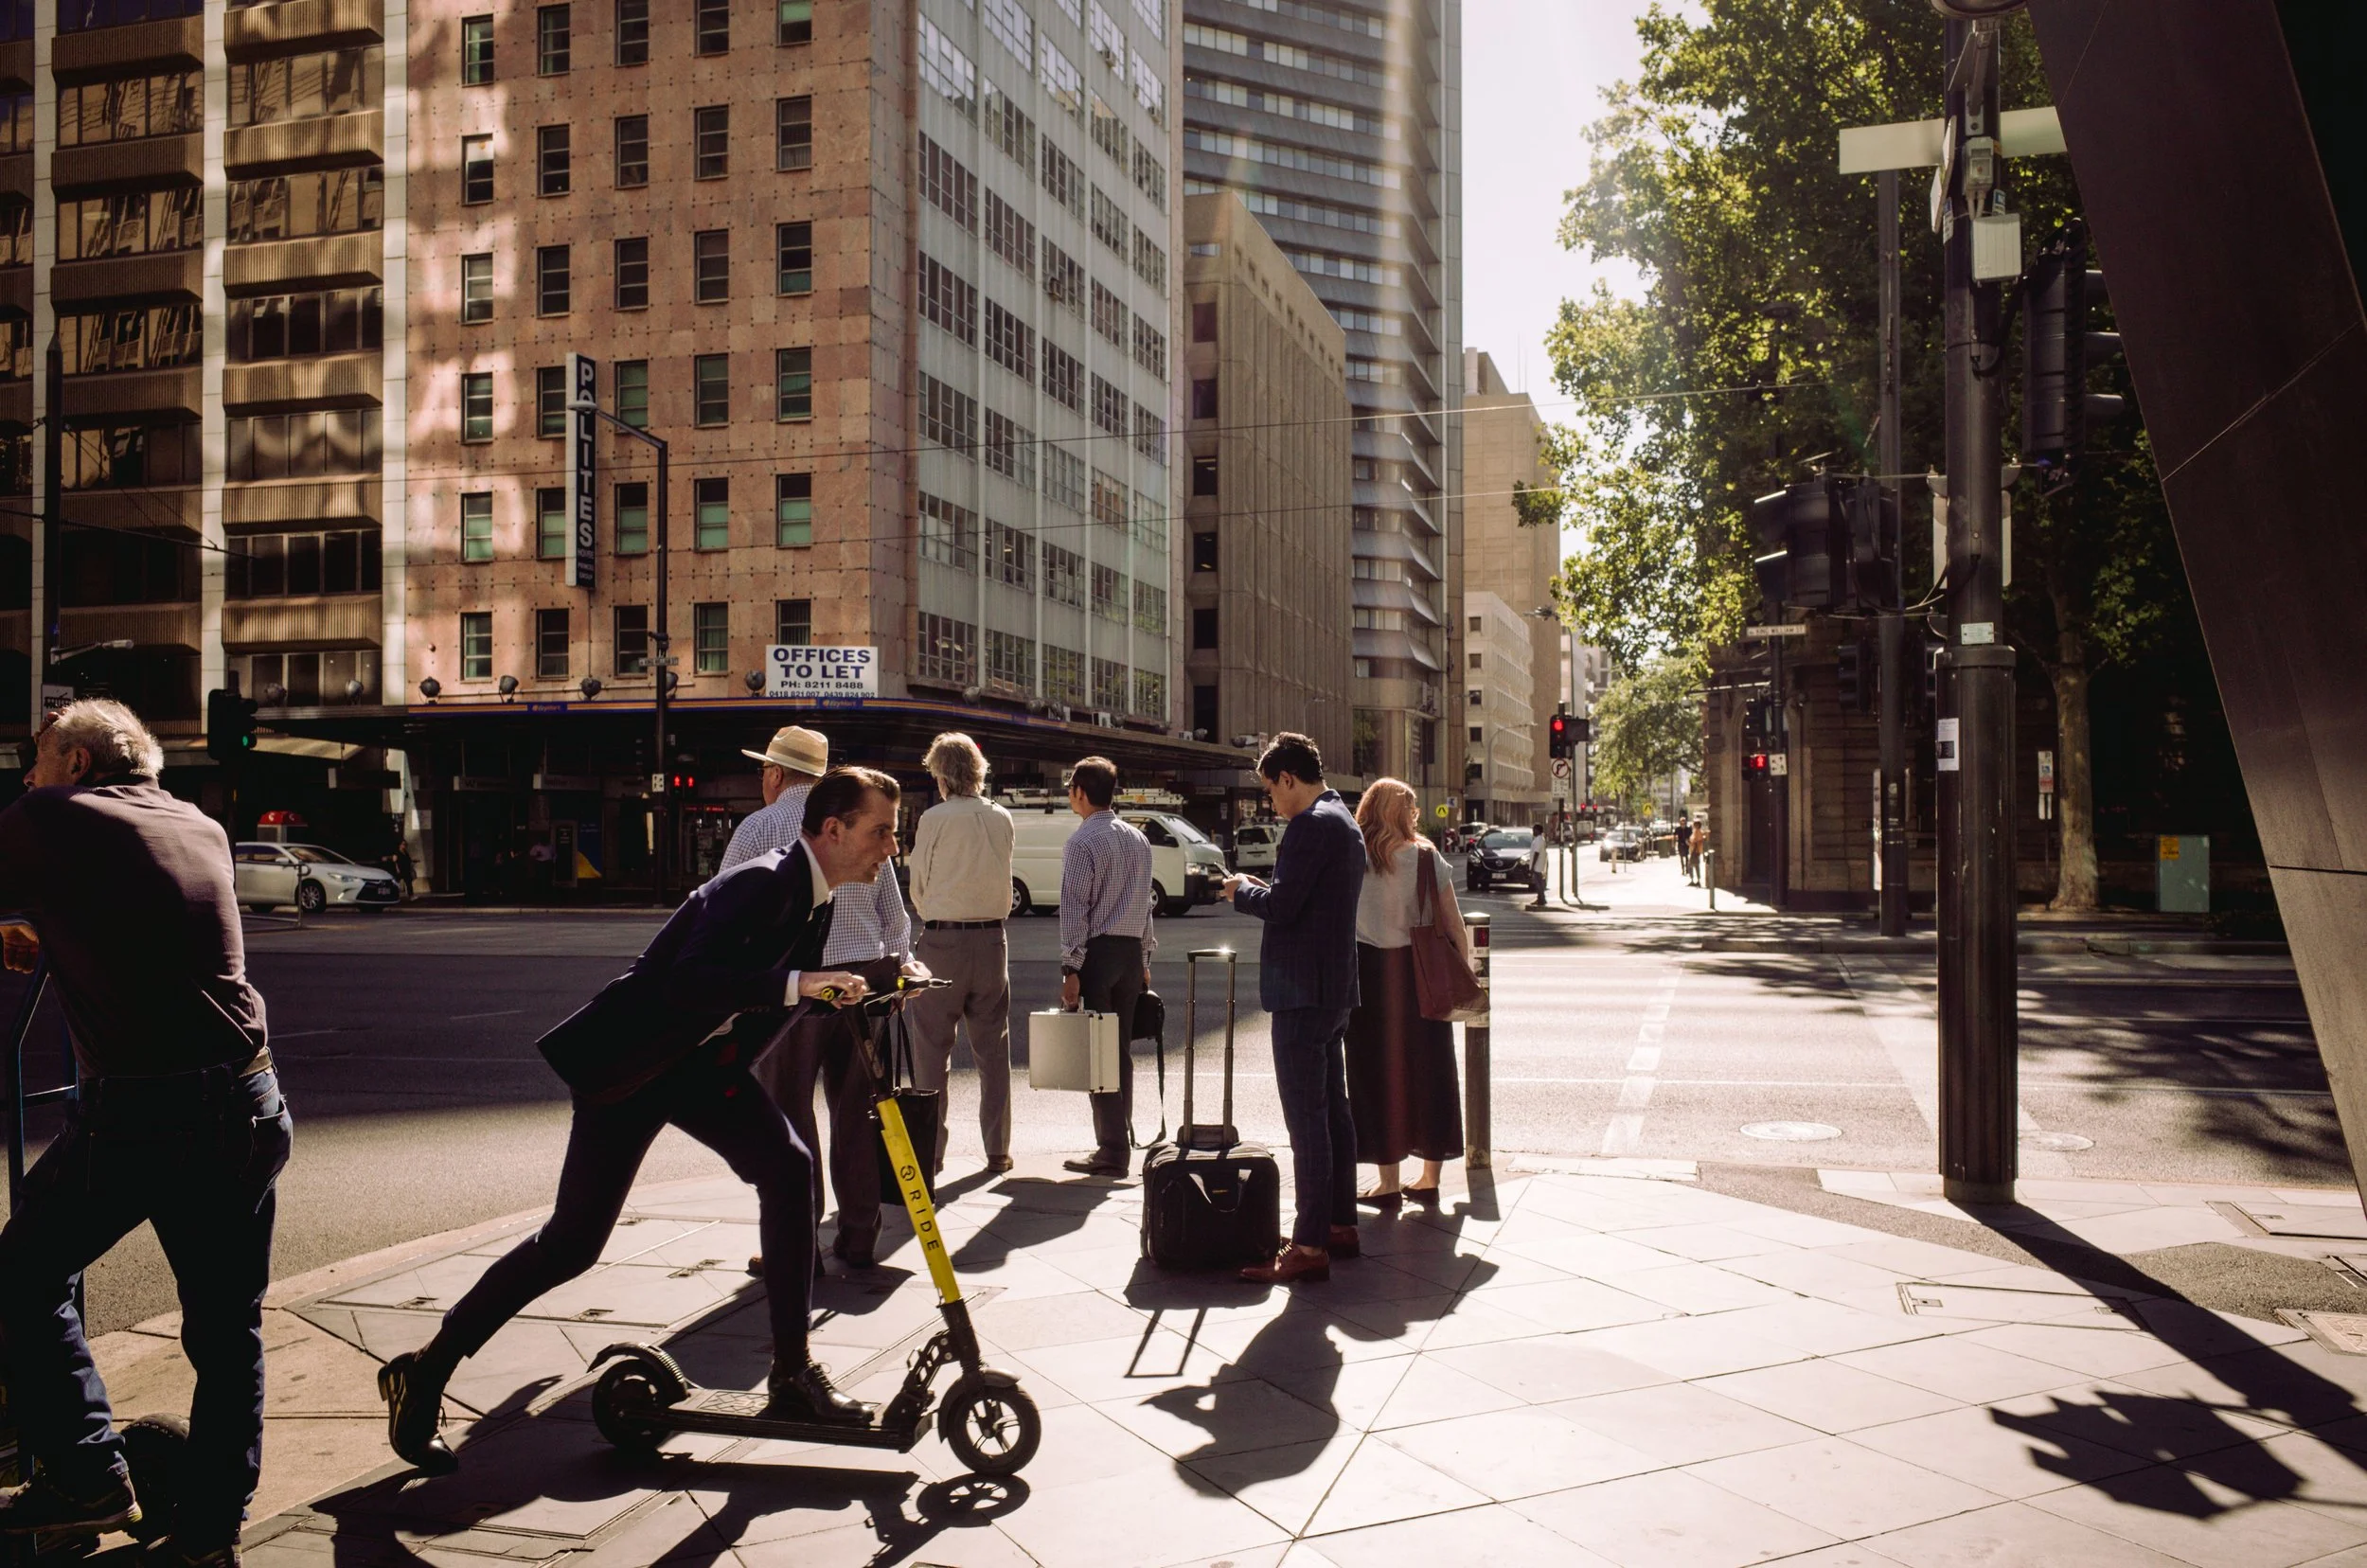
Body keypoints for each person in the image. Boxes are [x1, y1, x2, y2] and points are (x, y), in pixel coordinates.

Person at [378, 768, 904, 1475]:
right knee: (572, 1244)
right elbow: (686, 980)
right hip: (632, 1070)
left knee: (789, 1168)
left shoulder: (816, 899)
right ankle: (426, 1368)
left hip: (698, 1068)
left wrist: (858, 989)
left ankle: (791, 1373)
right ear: (834, 830)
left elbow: (765, 995)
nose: (890, 848)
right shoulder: (763, 882)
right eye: (881, 831)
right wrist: (797, 983)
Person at [0, 702, 292, 1561]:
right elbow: (139, 914)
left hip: (145, 1111)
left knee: (22, 1276)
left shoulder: (52, 815)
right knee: (226, 1330)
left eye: (39, 758)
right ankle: (211, 1534)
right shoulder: (198, 824)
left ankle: (85, 1474)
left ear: (79, 764)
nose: (27, 776)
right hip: (249, 1099)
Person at [721, 730, 917, 1272]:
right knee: (858, 1112)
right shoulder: (860, 822)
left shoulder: (759, 828)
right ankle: (859, 1234)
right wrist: (898, 972)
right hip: (864, 985)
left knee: (787, 1115)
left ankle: (797, 1242)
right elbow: (895, 917)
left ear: (775, 775)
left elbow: (726, 913)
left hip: (795, 988)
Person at [1219, 733, 1366, 1285]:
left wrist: (1240, 892)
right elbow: (1307, 899)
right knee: (1334, 1112)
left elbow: (1283, 907)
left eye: (1270, 789)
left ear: (1288, 778)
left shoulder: (1309, 825)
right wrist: (1268, 888)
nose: (1271, 801)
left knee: (1307, 1119)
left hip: (1302, 992)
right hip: (1334, 989)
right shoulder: (1343, 819)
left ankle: (1308, 1245)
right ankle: (1338, 1223)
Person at [1345, 780, 1468, 1211]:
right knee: (1432, 1071)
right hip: (1420, 975)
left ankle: (1388, 1183)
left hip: (1366, 975)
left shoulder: (1355, 857)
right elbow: (1453, 924)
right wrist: (1462, 972)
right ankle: (1430, 1179)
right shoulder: (1426, 858)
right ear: (1406, 813)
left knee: (1374, 1075)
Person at [905, 733, 1017, 1177]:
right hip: (992, 941)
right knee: (994, 1051)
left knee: (932, 1053)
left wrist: (936, 909)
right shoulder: (1001, 817)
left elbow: (918, 885)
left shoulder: (933, 819)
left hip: (943, 941)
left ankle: (931, 1153)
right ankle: (998, 1151)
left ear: (942, 776)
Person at [1056, 757, 1155, 1177]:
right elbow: (1146, 905)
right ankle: (1119, 1141)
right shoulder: (1139, 839)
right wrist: (1145, 959)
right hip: (1131, 955)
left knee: (1098, 1054)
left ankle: (1111, 1150)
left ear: (1080, 792)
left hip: (1097, 955)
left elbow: (1074, 908)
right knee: (1120, 1053)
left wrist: (1070, 967)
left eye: (1070, 789)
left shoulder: (1081, 842)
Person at [1675, 816, 1695, 880]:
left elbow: (1691, 836)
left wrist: (1689, 842)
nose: (1683, 822)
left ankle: (1687, 869)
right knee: (1681, 857)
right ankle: (1683, 869)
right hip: (1680, 844)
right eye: (1682, 821)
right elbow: (1675, 835)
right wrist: (1674, 842)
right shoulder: (1678, 829)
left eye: (1684, 821)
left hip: (1687, 844)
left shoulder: (1688, 829)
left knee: (1686, 857)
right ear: (1680, 822)